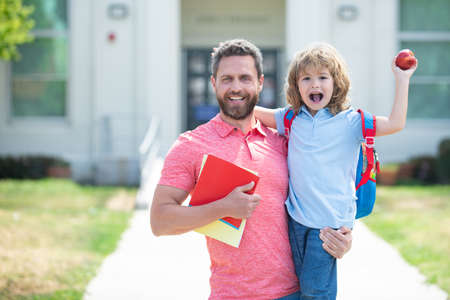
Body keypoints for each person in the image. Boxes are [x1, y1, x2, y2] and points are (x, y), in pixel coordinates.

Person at [150, 39, 353, 300]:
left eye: (245, 78)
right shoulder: (191, 145)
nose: (236, 87)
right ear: (214, 84)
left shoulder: (285, 140)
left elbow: (327, 189)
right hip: (231, 294)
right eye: (227, 79)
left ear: (260, 82)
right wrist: (222, 208)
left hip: (295, 292)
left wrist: (341, 236)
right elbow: (160, 222)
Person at [254, 43, 418, 299]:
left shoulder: (352, 122)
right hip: (296, 220)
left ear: (336, 83)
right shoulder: (291, 118)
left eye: (322, 77)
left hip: (328, 226)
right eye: (306, 78)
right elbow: (253, 113)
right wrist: (232, 97)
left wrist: (402, 79)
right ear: (296, 85)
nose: (314, 84)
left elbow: (396, 123)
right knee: (294, 286)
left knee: (315, 291)